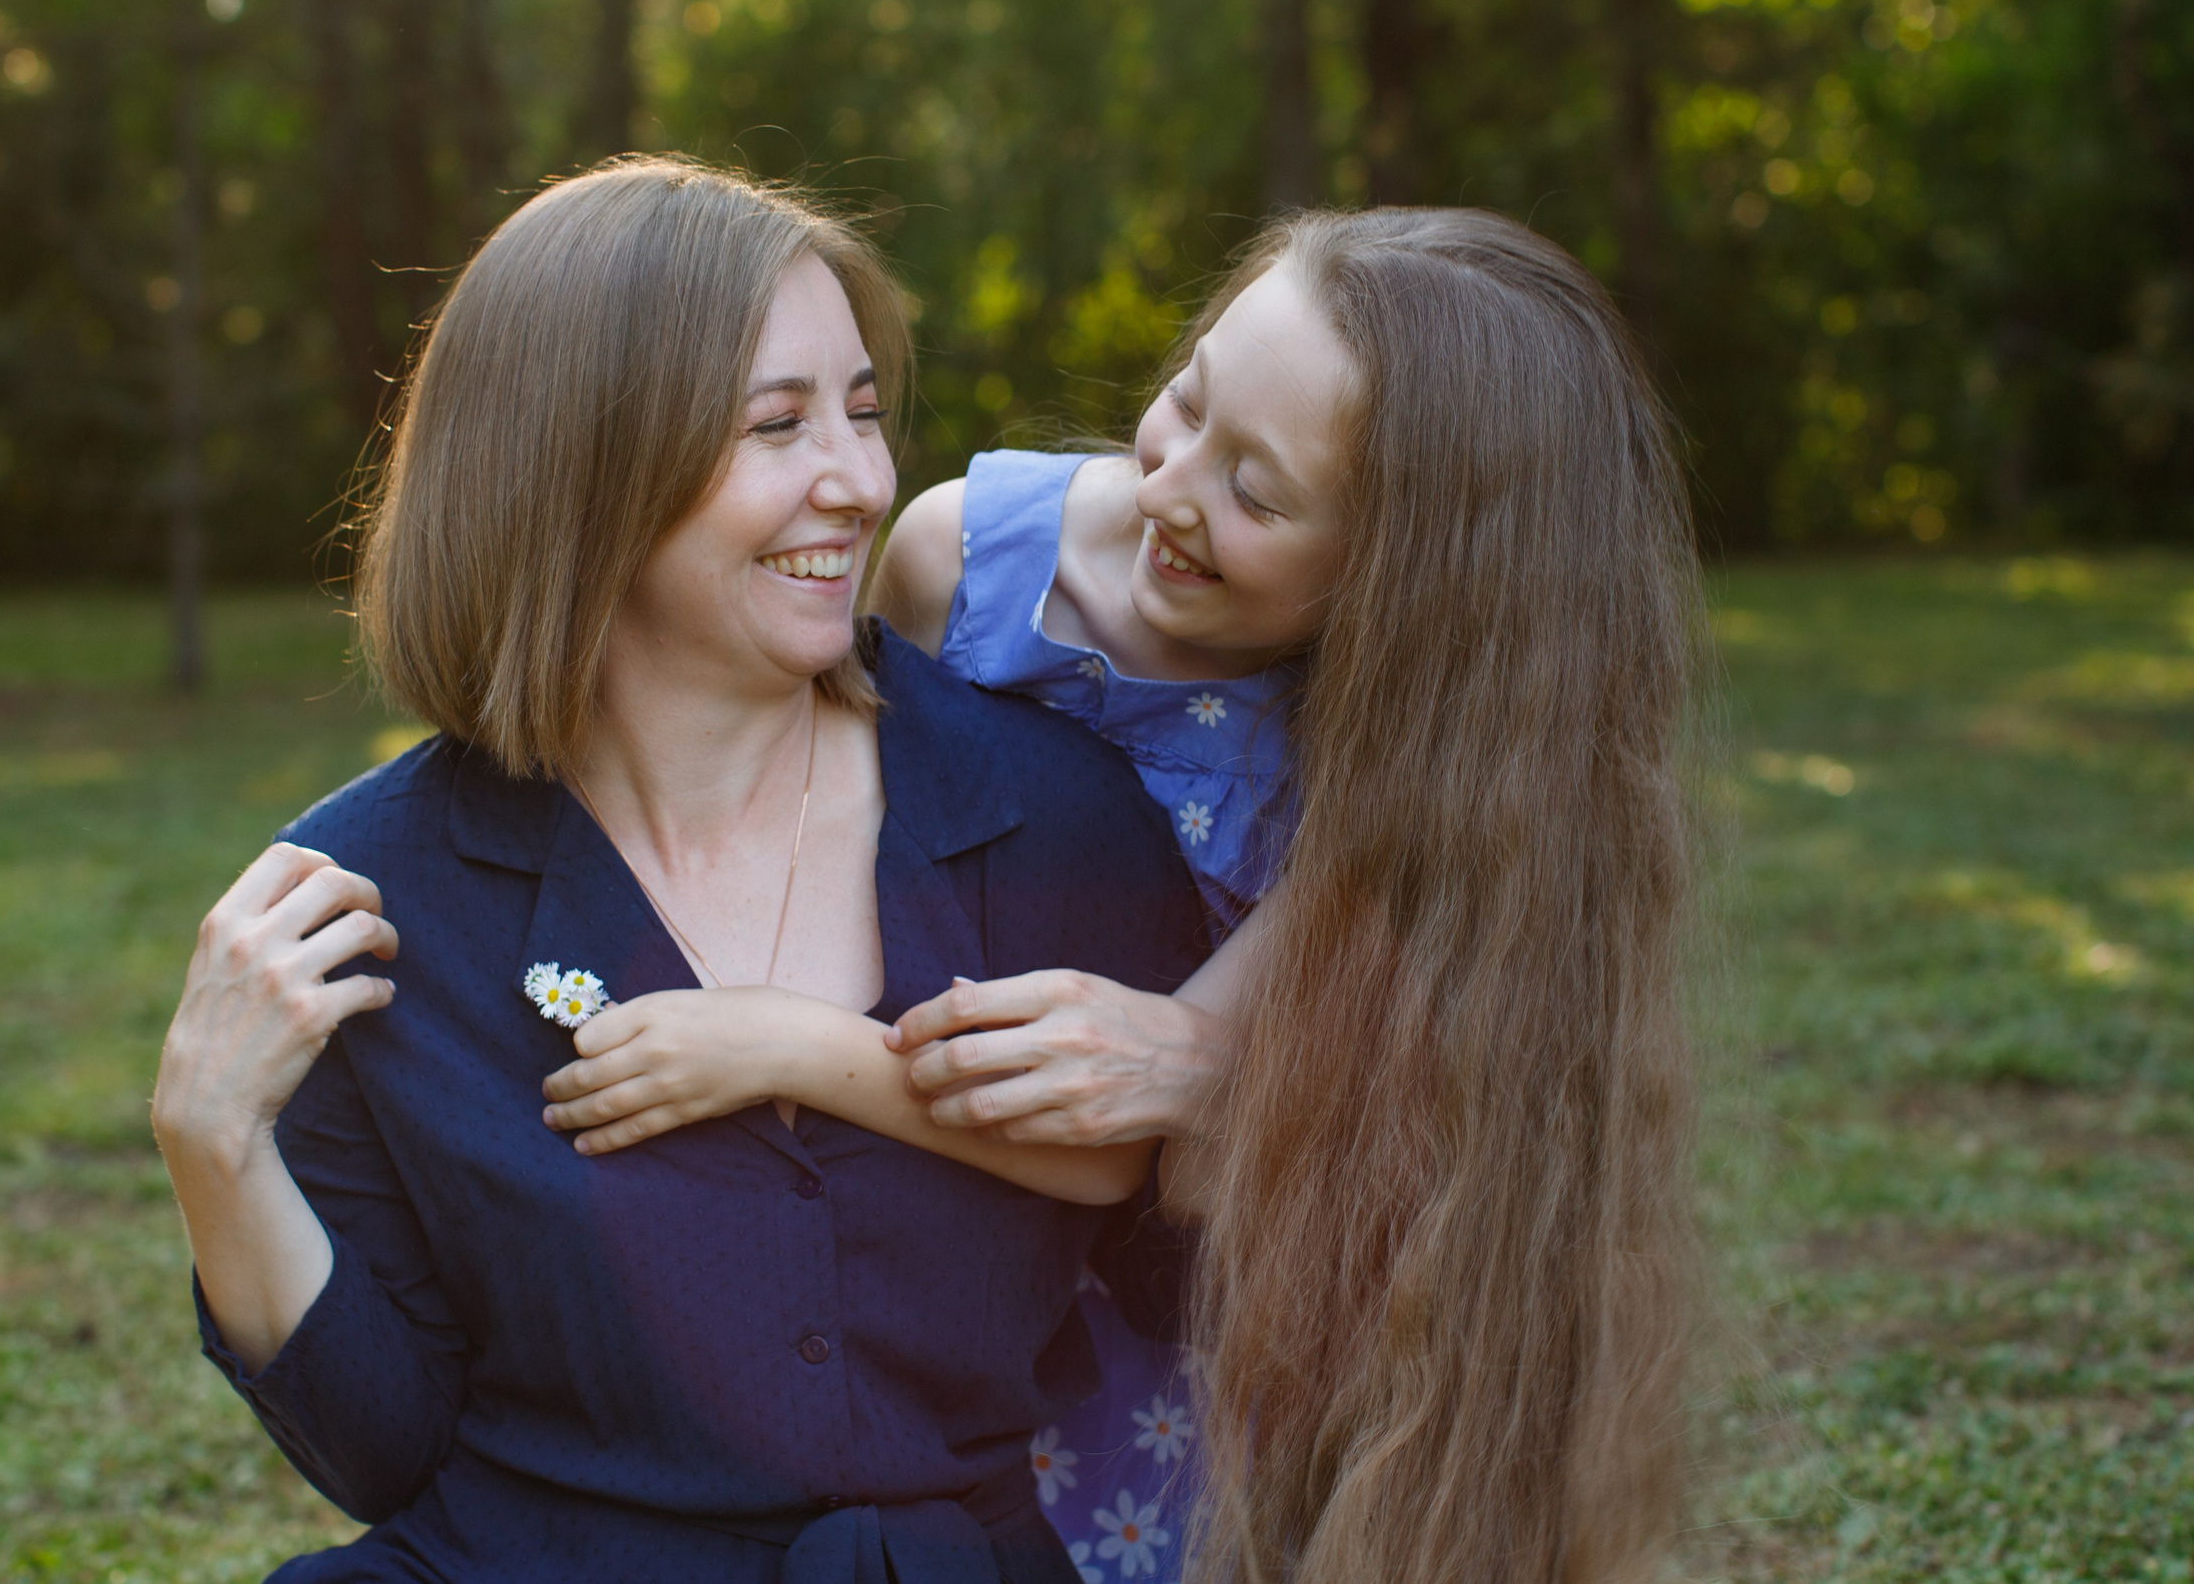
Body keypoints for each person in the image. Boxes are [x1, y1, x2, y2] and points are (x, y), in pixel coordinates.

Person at [547, 208, 1705, 1584]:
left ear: (1409, 588)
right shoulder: (964, 559)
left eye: (1257, 498)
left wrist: (1207, 1068)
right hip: (938, 1173)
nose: (1169, 491)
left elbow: (1184, 1132)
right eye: (1187, 402)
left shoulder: (1414, 774)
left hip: (1219, 1264)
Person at [148, 157, 1212, 1584]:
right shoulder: (368, 903)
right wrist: (213, 1151)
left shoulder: (1052, 813)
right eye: (777, 426)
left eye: (864, 411)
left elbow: (1193, 1256)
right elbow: (384, 1452)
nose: (857, 481)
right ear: (580, 469)